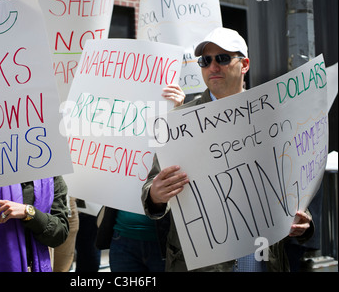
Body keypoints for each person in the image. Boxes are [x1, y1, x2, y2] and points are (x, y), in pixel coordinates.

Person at [141, 27, 314, 272]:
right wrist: (155, 196)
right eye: (205, 60)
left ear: (244, 64)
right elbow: (151, 186)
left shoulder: (273, 115)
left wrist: (304, 219)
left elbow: (298, 182)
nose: (213, 67)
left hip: (261, 262)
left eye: (222, 58)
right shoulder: (178, 122)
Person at [96, 85, 186, 272]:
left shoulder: (173, 112)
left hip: (162, 242)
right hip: (122, 238)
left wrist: (178, 111)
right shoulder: (113, 121)